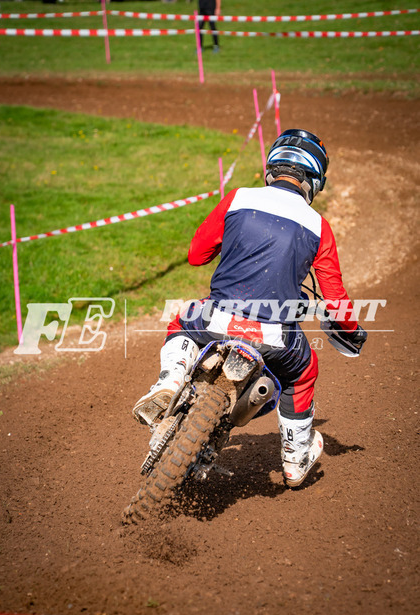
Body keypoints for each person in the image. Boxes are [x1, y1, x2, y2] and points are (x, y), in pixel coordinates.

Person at [132, 129, 367, 488]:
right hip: (275, 337)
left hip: (217, 319)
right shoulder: (319, 227)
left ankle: (170, 380)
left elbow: (196, 255)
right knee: (304, 372)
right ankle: (295, 458)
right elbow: (335, 303)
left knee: (181, 321)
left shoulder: (238, 198)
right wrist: (353, 331)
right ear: (314, 180)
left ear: (272, 167)